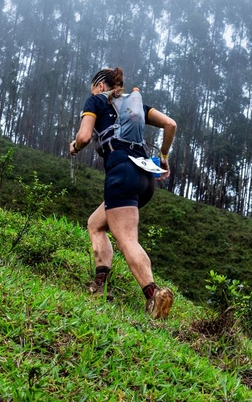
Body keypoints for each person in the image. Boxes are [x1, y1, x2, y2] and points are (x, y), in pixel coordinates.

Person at [69, 67, 177, 319]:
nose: (93, 92)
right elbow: (170, 124)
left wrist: (74, 146)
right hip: (144, 176)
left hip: (121, 172)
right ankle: (99, 284)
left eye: (93, 88)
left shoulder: (96, 100)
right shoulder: (136, 106)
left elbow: (85, 137)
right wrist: (163, 156)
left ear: (99, 86)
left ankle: (154, 295)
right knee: (96, 224)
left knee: (126, 238)